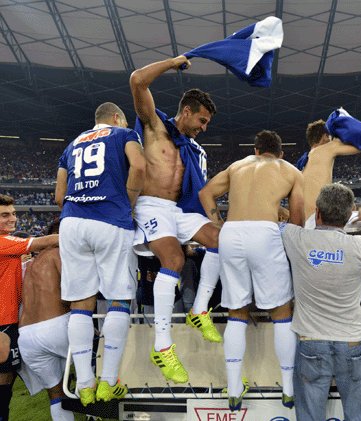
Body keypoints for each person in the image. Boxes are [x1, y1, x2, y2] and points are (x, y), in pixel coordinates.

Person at [130, 56, 223, 383]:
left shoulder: (192, 150)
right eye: (202, 120)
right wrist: (172, 63)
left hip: (179, 210)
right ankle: (163, 346)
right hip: (151, 206)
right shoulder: (154, 126)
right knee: (174, 259)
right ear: (186, 111)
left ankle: (199, 310)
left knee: (222, 240)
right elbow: (137, 80)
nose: (204, 128)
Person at [199, 130, 304, 411]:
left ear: (256, 150)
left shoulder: (237, 166)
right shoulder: (290, 170)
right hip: (265, 232)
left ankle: (234, 390)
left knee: (237, 311)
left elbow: (205, 193)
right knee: (281, 311)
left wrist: (219, 224)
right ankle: (288, 388)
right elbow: (297, 220)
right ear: (280, 153)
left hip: (231, 232)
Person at [55, 102, 145, 406]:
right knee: (119, 297)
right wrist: (128, 201)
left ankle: (84, 384)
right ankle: (107, 382)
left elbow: (59, 195)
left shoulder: (72, 144)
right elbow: (139, 166)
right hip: (110, 219)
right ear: (116, 118)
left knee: (80, 303)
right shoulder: (123, 134)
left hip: (72, 222)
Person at [281, 183, 361, 421]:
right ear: (349, 215)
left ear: (318, 212)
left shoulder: (296, 238)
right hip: (350, 341)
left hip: (311, 341)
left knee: (310, 417)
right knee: (359, 416)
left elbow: (278, 221)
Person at [0, 194, 59, 421]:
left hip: (10, 320)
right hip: (3, 322)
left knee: (7, 381)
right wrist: (83, 232)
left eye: (14, 214)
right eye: (5, 215)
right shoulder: (3, 242)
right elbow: (44, 242)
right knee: (3, 383)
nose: (12, 219)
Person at [17, 221, 74, 421]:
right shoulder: (60, 254)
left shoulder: (29, 264)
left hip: (27, 337)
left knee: (56, 394)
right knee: (93, 364)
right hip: (56, 326)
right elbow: (72, 294)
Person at [299, 119, 360, 226]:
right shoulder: (325, 149)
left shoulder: (304, 162)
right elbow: (360, 147)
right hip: (318, 220)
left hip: (304, 222)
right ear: (325, 136)